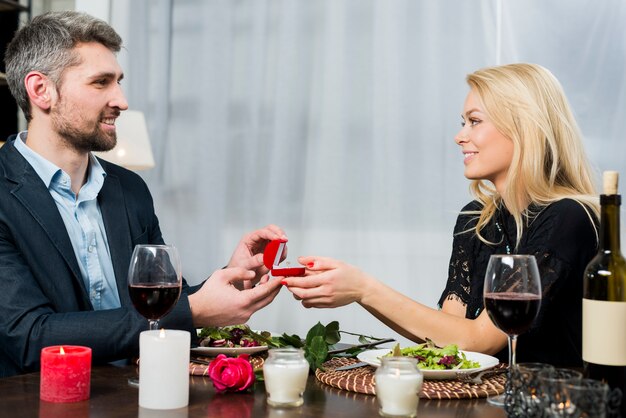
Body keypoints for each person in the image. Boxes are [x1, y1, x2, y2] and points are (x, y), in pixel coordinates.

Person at [0, 11, 284, 378]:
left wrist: (230, 278)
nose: (121, 100)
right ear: (40, 90)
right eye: (101, 82)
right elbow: (29, 338)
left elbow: (158, 304)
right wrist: (194, 309)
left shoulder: (129, 189)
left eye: (118, 81)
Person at [282, 63, 599, 367]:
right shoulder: (476, 219)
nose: (459, 136)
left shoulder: (568, 218)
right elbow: (450, 338)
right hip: (483, 399)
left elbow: (481, 341)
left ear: (522, 126)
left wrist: (364, 289)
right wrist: (356, 292)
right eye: (463, 122)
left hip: (552, 403)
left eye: (474, 121)